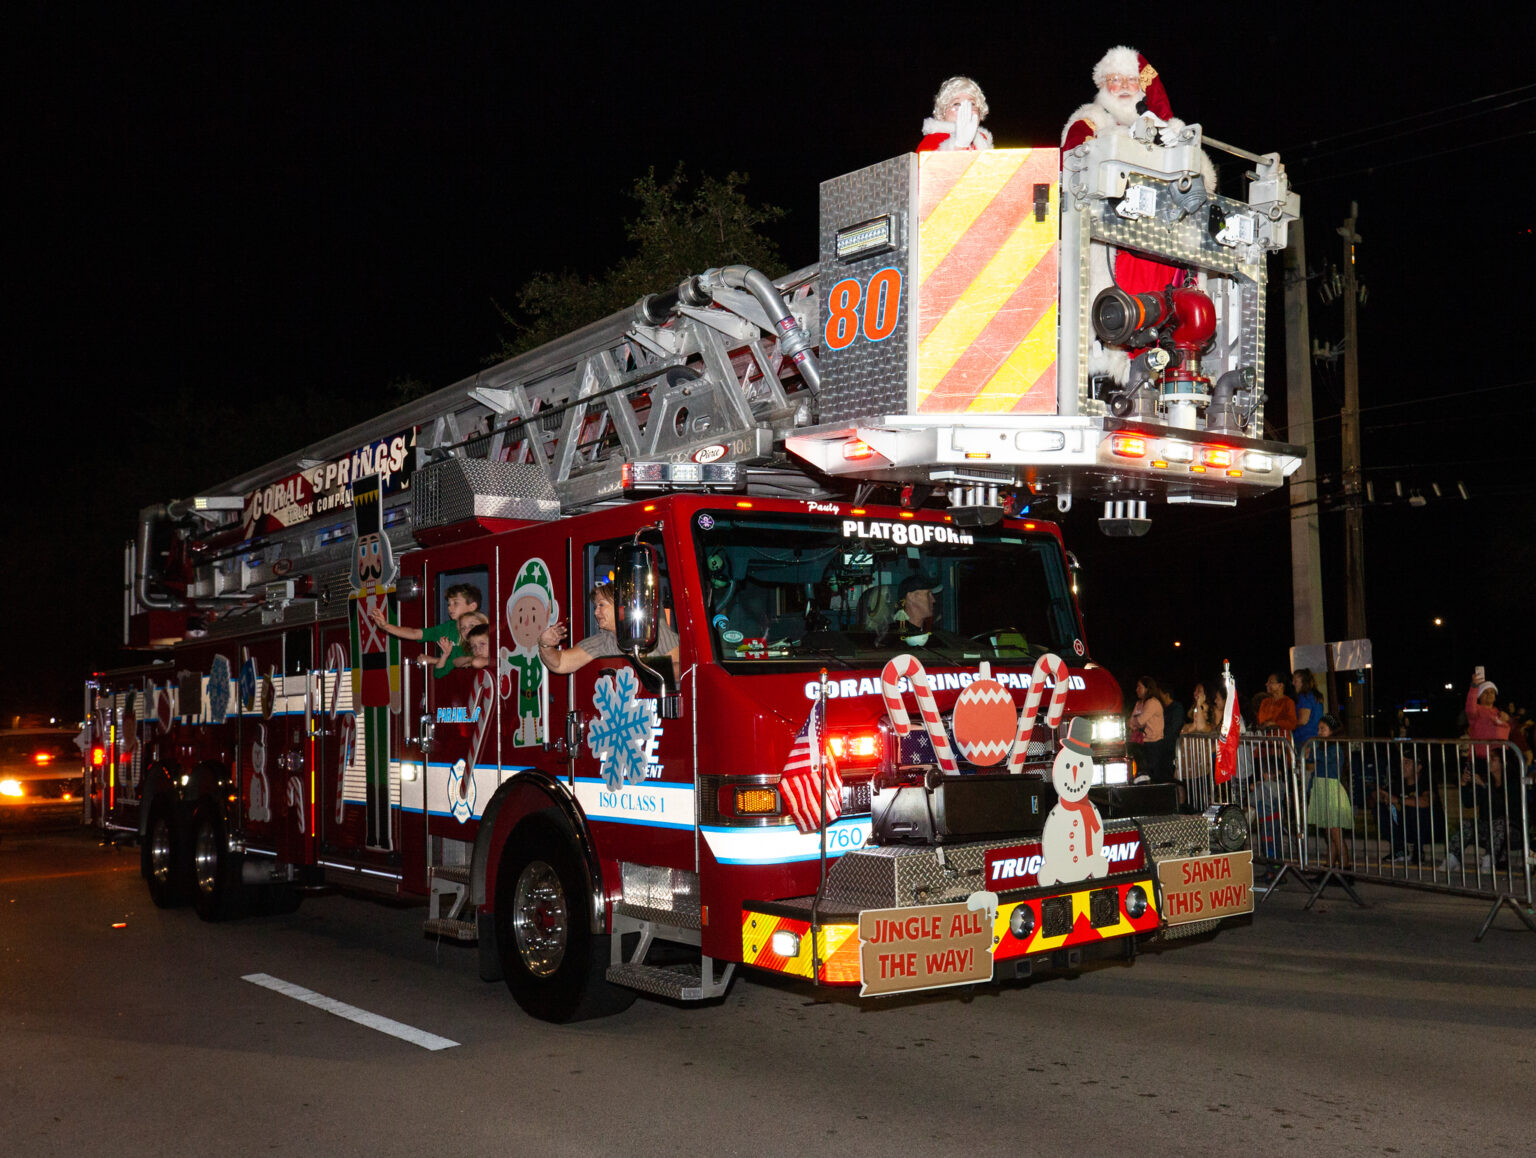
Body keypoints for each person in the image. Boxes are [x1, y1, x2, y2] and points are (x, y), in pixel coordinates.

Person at [537, 582, 681, 676]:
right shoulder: (603, 640)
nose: (595, 612)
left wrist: (642, 668)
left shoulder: (654, 631)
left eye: (601, 605)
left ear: (621, 606)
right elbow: (561, 663)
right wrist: (545, 645)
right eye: (595, 607)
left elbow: (683, 668)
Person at [371, 582, 482, 679]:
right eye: (448, 604)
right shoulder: (446, 628)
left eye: (455, 603)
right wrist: (385, 626)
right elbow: (415, 633)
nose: (449, 607)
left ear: (472, 606)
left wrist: (433, 660)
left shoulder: (482, 630)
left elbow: (470, 661)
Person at [1308, 713, 1354, 872]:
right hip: (1323, 790)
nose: (1319, 732)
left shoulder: (1334, 749)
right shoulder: (1323, 747)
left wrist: (1312, 750)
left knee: (1336, 834)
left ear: (1332, 731)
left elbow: (1319, 758)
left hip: (1331, 792)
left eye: (1323, 729)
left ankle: (1346, 868)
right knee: (1330, 835)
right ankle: (1329, 868)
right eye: (1318, 729)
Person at [918, 76, 994, 152]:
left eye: (972, 104)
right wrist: (960, 145)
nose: (965, 109)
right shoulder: (932, 140)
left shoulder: (984, 140)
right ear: (942, 114)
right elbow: (928, 162)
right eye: (956, 104)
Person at [1128, 676, 1168, 782]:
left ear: (1147, 688)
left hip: (1154, 742)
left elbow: (1140, 721)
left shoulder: (1152, 702)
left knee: (1153, 773)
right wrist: (1135, 722)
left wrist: (1135, 722)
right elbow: (1130, 722)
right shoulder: (1139, 703)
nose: (1137, 690)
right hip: (1143, 741)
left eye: (1139, 687)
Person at [1292, 668, 1324, 752]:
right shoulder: (1315, 696)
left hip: (1304, 738)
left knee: (1304, 764)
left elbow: (1303, 720)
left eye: (1296, 680)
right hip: (1313, 737)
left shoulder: (1304, 697)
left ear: (1303, 682)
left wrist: (1288, 724)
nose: (1293, 683)